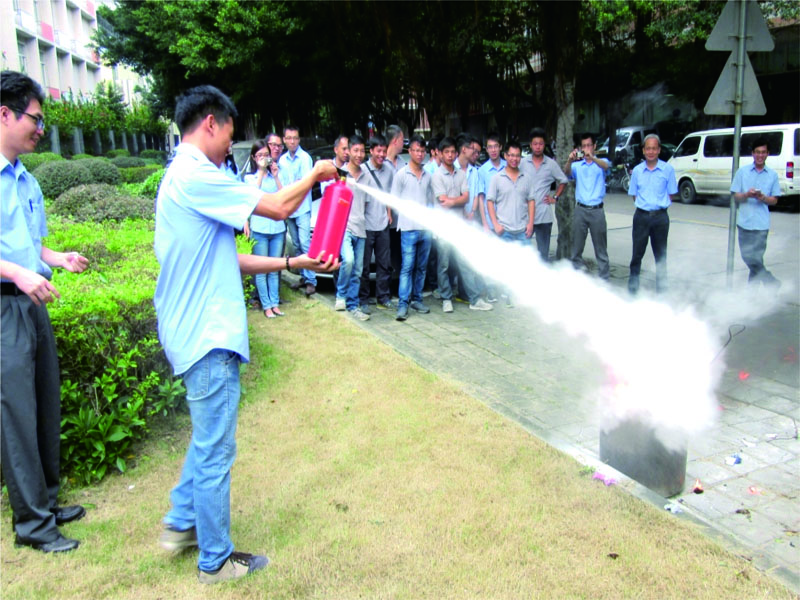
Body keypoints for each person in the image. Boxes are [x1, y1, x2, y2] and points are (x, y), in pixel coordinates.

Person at [154, 85, 337, 584]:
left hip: (196, 329)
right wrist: (315, 174)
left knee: (207, 435)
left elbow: (227, 259)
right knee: (216, 449)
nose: (228, 150)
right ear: (210, 123)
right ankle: (215, 561)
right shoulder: (197, 174)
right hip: (207, 334)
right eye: (229, 136)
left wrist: (292, 262)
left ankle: (182, 518)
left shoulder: (182, 176)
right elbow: (277, 206)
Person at [0, 70, 89, 554]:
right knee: (15, 415)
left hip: (33, 304)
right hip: (4, 309)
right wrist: (16, 273)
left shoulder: (26, 180)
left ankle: (47, 503)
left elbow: (32, 246)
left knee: (42, 405)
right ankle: (32, 525)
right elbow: (14, 261)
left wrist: (58, 258)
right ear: (4, 114)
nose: (40, 128)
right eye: (34, 118)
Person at [431, 137, 492, 313]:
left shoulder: (461, 175)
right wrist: (457, 200)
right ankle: (446, 298)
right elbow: (443, 201)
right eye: (446, 152)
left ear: (456, 153)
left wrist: (454, 201)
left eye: (452, 152)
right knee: (443, 265)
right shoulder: (437, 176)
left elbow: (466, 197)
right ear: (440, 154)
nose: (450, 155)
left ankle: (474, 299)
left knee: (465, 263)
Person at [627, 133, 678, 294]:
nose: (651, 152)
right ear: (643, 150)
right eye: (648, 148)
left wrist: (657, 207)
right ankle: (633, 291)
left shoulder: (668, 170)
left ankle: (662, 292)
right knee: (636, 256)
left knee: (661, 257)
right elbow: (634, 195)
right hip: (641, 217)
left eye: (654, 148)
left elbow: (671, 194)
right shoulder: (637, 171)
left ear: (659, 150)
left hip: (660, 218)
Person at [486, 140, 534, 306]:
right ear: (505, 156)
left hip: (522, 229)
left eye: (517, 156)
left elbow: (531, 201)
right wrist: (495, 224)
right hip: (504, 230)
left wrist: (531, 223)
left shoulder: (526, 178)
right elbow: (490, 201)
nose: (514, 159)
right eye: (511, 155)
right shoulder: (497, 178)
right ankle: (507, 294)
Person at [391, 134, 433, 321]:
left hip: (425, 229)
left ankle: (417, 299)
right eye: (416, 150)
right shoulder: (401, 175)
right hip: (408, 229)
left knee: (421, 267)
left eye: (422, 151)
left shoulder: (428, 176)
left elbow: (431, 202)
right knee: (407, 268)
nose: (419, 154)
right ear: (410, 152)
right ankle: (403, 304)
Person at [730, 137, 781, 287]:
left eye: (763, 152)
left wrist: (763, 197)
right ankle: (771, 282)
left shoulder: (772, 175)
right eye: (757, 152)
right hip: (744, 223)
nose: (760, 155)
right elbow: (735, 196)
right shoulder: (742, 172)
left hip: (761, 225)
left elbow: (775, 200)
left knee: (756, 260)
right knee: (748, 258)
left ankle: (752, 295)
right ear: (752, 153)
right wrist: (747, 194)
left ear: (767, 154)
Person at [244, 135, 286, 318]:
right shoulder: (250, 178)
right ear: (254, 158)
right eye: (260, 155)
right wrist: (261, 172)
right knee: (261, 269)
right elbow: (252, 197)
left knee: (274, 268)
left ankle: (275, 303)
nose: (264, 158)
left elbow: (283, 197)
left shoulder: (276, 174)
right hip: (260, 229)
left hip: (277, 229)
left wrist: (275, 176)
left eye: (266, 155)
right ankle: (266, 305)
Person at [334, 134, 371, 321]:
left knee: (358, 270)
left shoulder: (366, 176)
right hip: (345, 227)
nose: (359, 154)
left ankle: (353, 305)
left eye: (362, 151)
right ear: (348, 151)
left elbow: (366, 204)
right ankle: (341, 295)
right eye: (355, 150)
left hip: (361, 228)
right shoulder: (340, 174)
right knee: (348, 260)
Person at [565, 133, 610, 281]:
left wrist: (593, 158)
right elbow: (567, 173)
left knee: (601, 250)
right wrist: (569, 160)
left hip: (597, 210)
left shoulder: (601, 162)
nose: (586, 149)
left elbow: (606, 167)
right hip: (580, 210)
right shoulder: (577, 166)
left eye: (589, 145)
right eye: (583, 146)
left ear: (594, 146)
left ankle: (604, 281)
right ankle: (577, 278)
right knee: (576, 248)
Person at [279, 125, 317, 297]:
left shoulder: (305, 158)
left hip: (302, 208)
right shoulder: (282, 160)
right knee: (296, 245)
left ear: (299, 139)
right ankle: (303, 276)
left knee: (305, 243)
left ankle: (311, 281)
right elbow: (281, 184)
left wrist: (291, 187)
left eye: (295, 138)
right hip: (290, 209)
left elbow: (305, 183)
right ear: (284, 140)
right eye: (289, 138)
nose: (292, 141)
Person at [520, 127, 568, 262]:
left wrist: (555, 197)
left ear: (544, 145)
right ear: (530, 145)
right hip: (525, 216)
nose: (538, 147)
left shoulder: (551, 164)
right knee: (522, 253)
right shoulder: (523, 163)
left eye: (540, 144)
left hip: (544, 216)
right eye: (535, 144)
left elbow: (563, 180)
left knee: (543, 254)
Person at [359, 134, 394, 312]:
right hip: (365, 225)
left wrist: (389, 213)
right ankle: (363, 299)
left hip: (382, 224)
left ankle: (383, 297)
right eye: (378, 151)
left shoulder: (389, 170)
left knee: (384, 264)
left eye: (384, 151)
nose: (381, 154)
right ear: (371, 151)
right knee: (364, 266)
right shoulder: (362, 170)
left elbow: (388, 194)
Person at [477, 133, 506, 234]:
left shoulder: (508, 167)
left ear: (500, 147)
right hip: (490, 222)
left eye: (496, 146)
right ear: (486, 149)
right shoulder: (482, 170)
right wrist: (484, 223)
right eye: (490, 147)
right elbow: (481, 199)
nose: (493, 150)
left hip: (508, 221)